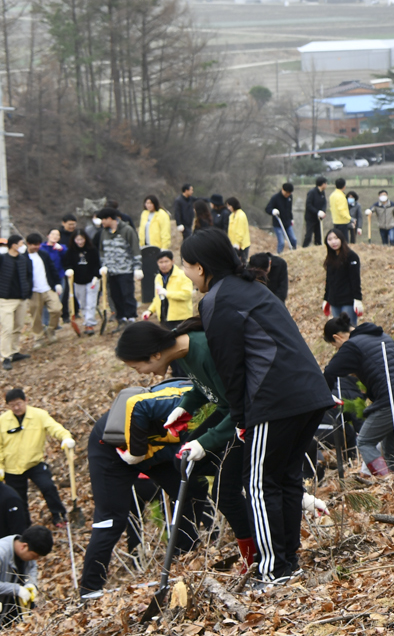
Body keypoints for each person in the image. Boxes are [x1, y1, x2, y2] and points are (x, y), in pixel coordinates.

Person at [180, 227, 335, 591]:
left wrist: (240, 419)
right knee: (285, 481)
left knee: (260, 485)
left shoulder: (216, 300)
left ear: (201, 267)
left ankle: (273, 572)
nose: (186, 275)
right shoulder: (250, 287)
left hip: (274, 400)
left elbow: (230, 367)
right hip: (309, 393)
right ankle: (288, 564)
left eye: (186, 267)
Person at [114, 319, 251, 570]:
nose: (140, 374)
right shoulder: (184, 353)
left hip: (248, 416)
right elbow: (204, 388)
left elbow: (239, 406)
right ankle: (249, 481)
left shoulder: (204, 350)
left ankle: (253, 555)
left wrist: (206, 442)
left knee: (223, 492)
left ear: (155, 354)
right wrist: (185, 406)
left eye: (137, 367)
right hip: (230, 411)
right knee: (184, 461)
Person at [77, 373, 225, 598]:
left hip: (154, 448)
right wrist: (135, 452)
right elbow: (134, 405)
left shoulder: (223, 409)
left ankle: (184, 554)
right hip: (114, 444)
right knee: (111, 519)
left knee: (190, 489)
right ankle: (89, 590)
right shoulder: (185, 396)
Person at [322, 313, 394, 477]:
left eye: (335, 346)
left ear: (337, 337)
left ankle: (387, 481)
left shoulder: (351, 345)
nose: (338, 351)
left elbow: (330, 372)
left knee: (365, 442)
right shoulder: (382, 336)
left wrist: (325, 398)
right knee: (390, 445)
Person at [1, 390, 71, 527]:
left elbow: (54, 427)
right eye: (12, 405)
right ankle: (24, 526)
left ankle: (59, 516)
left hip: (34, 463)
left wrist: (65, 437)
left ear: (26, 400)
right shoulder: (2, 421)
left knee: (48, 486)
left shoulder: (39, 415)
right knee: (17, 499)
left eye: (19, 404)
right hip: (12, 468)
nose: (16, 408)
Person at [99, 205, 140, 330]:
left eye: (103, 219)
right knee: (115, 296)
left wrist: (138, 267)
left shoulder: (127, 230)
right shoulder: (104, 233)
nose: (102, 222)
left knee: (127, 294)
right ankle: (121, 319)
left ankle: (131, 318)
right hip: (111, 272)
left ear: (110, 218)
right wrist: (104, 266)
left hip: (125, 270)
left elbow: (135, 249)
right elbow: (102, 251)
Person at [0, 528, 50, 625]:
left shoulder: (27, 551)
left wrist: (31, 584)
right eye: (34, 556)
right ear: (24, 546)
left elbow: (32, 568)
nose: (35, 559)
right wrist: (16, 589)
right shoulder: (1, 552)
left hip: (8, 608)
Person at [143, 250, 198, 325]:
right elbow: (157, 298)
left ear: (172, 261)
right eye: (161, 262)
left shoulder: (182, 275)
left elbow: (187, 294)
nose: (164, 265)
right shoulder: (158, 278)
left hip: (180, 319)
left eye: (166, 261)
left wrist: (166, 293)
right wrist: (150, 310)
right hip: (164, 318)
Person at [322, 231, 363, 327]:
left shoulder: (351, 256)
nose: (333, 242)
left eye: (336, 238)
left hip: (348, 300)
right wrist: (326, 299)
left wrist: (357, 299)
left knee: (349, 328)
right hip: (334, 300)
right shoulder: (330, 258)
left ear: (341, 239)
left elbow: (355, 279)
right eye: (330, 239)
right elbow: (329, 281)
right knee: (339, 329)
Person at [22, 235, 58, 347]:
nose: (36, 247)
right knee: (36, 316)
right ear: (28, 244)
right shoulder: (23, 257)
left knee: (57, 309)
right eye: (34, 245)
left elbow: (52, 269)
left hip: (47, 287)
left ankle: (51, 329)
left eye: (38, 244)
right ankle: (38, 337)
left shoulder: (44, 254)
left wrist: (56, 283)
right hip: (33, 291)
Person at [0, 239, 31, 368]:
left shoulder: (23, 259)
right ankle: (5, 356)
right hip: (5, 300)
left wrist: (27, 292)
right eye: (21, 243)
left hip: (21, 299)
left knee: (18, 327)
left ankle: (14, 351)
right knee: (6, 328)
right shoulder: (2, 259)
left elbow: (28, 276)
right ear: (14, 245)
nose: (23, 246)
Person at [65, 224, 100, 335]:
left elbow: (97, 263)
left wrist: (96, 275)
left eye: (82, 239)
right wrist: (69, 271)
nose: (80, 242)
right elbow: (67, 264)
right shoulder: (71, 251)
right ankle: (86, 320)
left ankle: (90, 324)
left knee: (91, 302)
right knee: (83, 302)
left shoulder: (92, 249)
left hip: (91, 280)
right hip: (78, 281)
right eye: (77, 240)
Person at [139, 195, 174, 301]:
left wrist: (164, 247)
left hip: (157, 246)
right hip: (145, 247)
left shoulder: (162, 214)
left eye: (150, 203)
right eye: (147, 203)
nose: (148, 205)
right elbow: (141, 229)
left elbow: (165, 231)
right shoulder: (144, 214)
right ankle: (148, 296)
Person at [264, 183, 297, 253]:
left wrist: (291, 218)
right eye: (286, 192)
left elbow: (289, 209)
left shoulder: (290, 197)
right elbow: (267, 209)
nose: (287, 194)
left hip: (287, 223)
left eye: (289, 193)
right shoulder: (275, 198)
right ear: (282, 189)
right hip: (278, 224)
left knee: (294, 240)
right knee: (281, 242)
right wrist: (273, 211)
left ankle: (294, 253)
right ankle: (279, 255)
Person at [303, 177, 328, 247]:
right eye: (325, 183)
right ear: (322, 184)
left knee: (318, 236)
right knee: (308, 236)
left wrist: (323, 211)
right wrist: (317, 212)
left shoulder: (322, 192)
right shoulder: (312, 192)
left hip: (318, 218)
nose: (326, 185)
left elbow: (324, 203)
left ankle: (318, 247)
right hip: (310, 218)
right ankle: (304, 248)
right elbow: (308, 205)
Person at [224, 196, 251, 260]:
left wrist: (238, 244)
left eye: (229, 206)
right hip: (233, 244)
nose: (228, 208)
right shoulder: (232, 215)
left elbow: (240, 231)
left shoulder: (241, 215)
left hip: (241, 246)